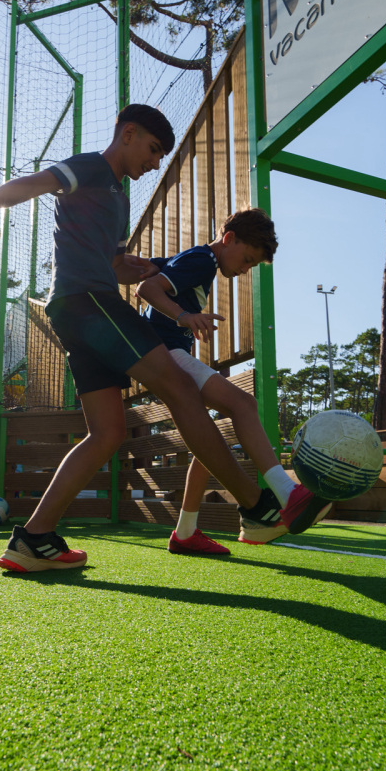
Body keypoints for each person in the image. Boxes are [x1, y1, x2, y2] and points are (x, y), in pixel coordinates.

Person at [0, 105, 329, 572]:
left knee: (106, 433)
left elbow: (114, 263)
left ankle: (33, 538)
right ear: (128, 134)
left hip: (82, 306)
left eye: (161, 155)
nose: (154, 162)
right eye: (152, 150)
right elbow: (35, 183)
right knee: (181, 387)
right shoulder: (91, 168)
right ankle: (258, 507)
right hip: (87, 301)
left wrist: (139, 266)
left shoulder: (119, 200)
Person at [135, 208, 331, 553]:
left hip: (169, 354)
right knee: (243, 404)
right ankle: (287, 494)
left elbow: (155, 272)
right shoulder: (201, 260)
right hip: (165, 354)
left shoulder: (196, 261)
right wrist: (185, 317)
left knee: (208, 442)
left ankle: (185, 532)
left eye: (251, 266)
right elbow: (147, 289)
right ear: (229, 239)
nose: (244, 270)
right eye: (247, 259)